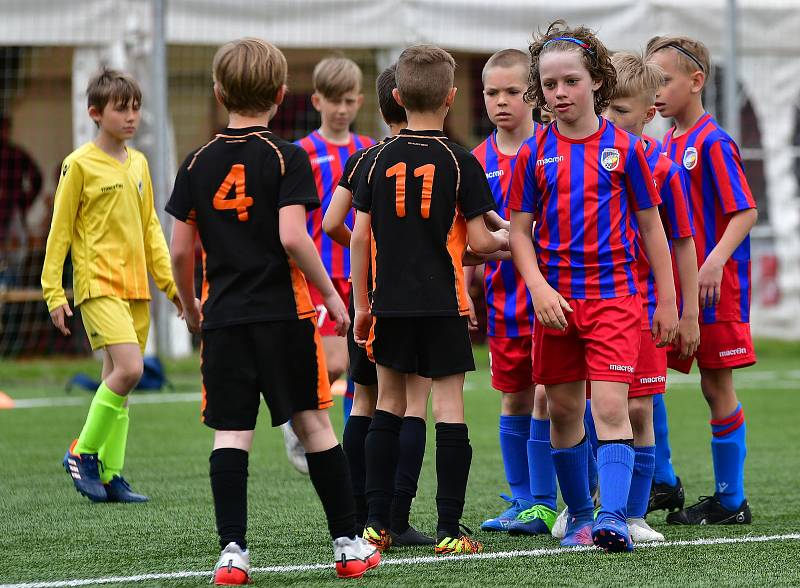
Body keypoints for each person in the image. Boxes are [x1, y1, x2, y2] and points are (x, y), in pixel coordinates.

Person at [166, 38, 379, 583]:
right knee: (314, 423)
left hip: (226, 318)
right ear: (283, 94)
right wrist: (331, 293)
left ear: (219, 92)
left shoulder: (196, 162)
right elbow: (293, 236)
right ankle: (349, 546)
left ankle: (233, 553)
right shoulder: (288, 156)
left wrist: (192, 309)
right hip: (286, 316)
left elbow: (179, 251)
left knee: (231, 434)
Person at [508, 21, 678, 552]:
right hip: (556, 304)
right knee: (561, 411)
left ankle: (613, 518)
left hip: (615, 300)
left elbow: (652, 227)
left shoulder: (626, 150)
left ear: (597, 82)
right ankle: (580, 514)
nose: (561, 93)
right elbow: (518, 232)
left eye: (571, 82)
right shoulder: (533, 154)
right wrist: (537, 289)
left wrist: (669, 301)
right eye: (551, 85)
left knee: (611, 409)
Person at [351, 44, 507, 555]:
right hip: (442, 304)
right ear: (452, 97)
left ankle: (375, 525)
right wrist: (517, 246)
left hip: (388, 305)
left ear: (396, 96)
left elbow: (357, 237)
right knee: (449, 409)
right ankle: (448, 530)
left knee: (388, 405)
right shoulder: (460, 160)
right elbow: (481, 243)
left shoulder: (374, 160)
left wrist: (361, 306)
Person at [41, 68, 179, 504]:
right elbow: (59, 231)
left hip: (137, 287)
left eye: (136, 107)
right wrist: (53, 291)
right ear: (95, 113)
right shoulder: (77, 164)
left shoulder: (138, 163)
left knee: (120, 379)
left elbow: (151, 227)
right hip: (97, 285)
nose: (131, 116)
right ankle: (81, 452)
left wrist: (170, 284)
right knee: (130, 369)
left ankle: (111, 474)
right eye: (122, 109)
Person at [646, 36, 758, 525]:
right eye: (650, 82)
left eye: (664, 81)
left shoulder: (711, 142)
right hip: (677, 290)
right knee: (645, 377)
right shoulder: (667, 141)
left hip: (715, 290)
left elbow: (745, 211)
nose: (656, 92)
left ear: (696, 82)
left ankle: (732, 501)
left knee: (716, 388)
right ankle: (664, 480)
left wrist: (712, 262)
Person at [323, 63, 434, 547]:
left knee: (364, 400)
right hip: (417, 297)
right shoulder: (435, 155)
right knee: (412, 404)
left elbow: (330, 224)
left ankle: (357, 511)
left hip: (366, 296)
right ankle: (397, 515)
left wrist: (365, 253)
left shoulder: (365, 158)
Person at [602, 51, 699, 542]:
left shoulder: (665, 169)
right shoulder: (588, 159)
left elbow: (682, 242)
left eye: (620, 111)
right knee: (587, 409)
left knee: (639, 410)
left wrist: (685, 311)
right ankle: (588, 509)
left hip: (643, 308)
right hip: (596, 303)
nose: (609, 120)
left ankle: (634, 513)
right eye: (605, 109)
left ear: (648, 113)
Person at [467, 49, 558, 536]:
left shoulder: (552, 149)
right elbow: (466, 235)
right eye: (491, 93)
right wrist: (466, 288)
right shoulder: (476, 161)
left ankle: (554, 499)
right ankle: (523, 499)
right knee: (514, 400)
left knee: (554, 399)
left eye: (512, 92)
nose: (501, 102)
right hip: (505, 306)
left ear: (534, 95)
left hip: (554, 302)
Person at [0, 115, 42, 245]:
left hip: (12, 212)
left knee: (17, 252)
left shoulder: (16, 155)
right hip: (11, 210)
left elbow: (37, 178)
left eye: (6, 129)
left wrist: (23, 202)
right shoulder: (16, 154)